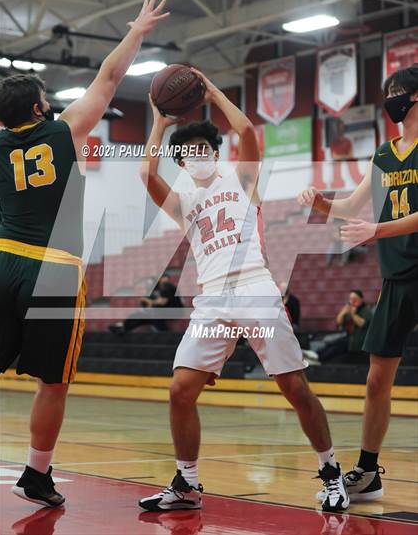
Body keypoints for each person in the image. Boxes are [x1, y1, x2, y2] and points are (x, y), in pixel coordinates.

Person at [138, 69, 349, 513]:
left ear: (216, 153)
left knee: (294, 388)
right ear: (181, 163)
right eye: (189, 152)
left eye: (204, 148)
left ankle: (331, 473)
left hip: (255, 289)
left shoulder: (241, 181)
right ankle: (187, 485)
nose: (198, 155)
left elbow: (248, 131)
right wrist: (159, 121)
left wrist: (212, 92)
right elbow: (146, 171)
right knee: (180, 391)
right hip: (212, 301)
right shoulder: (182, 203)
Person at [0, 0, 169, 507]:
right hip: (53, 270)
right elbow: (109, 77)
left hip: (3, 258)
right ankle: (36, 475)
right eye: (44, 98)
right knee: (53, 382)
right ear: (38, 108)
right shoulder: (65, 129)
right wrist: (136, 31)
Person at [299, 63, 418, 502]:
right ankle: (368, 472)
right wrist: (320, 203)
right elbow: (352, 206)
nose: (392, 99)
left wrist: (377, 230)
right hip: (397, 276)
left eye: (399, 92)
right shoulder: (384, 154)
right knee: (375, 380)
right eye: (389, 93)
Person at [303, 290, 372, 364]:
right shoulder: (350, 308)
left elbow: (362, 324)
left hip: (358, 341)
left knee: (338, 346)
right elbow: (339, 322)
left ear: (361, 299)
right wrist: (343, 312)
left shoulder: (366, 310)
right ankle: (316, 355)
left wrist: (352, 314)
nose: (352, 301)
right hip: (347, 336)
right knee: (331, 342)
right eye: (351, 299)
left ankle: (319, 359)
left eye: (355, 299)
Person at [108, 273, 183, 334]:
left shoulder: (168, 286)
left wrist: (149, 302)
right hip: (162, 312)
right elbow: (148, 304)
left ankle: (166, 334)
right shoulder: (156, 290)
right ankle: (123, 327)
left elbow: (162, 301)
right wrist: (147, 302)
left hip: (174, 312)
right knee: (140, 316)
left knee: (154, 314)